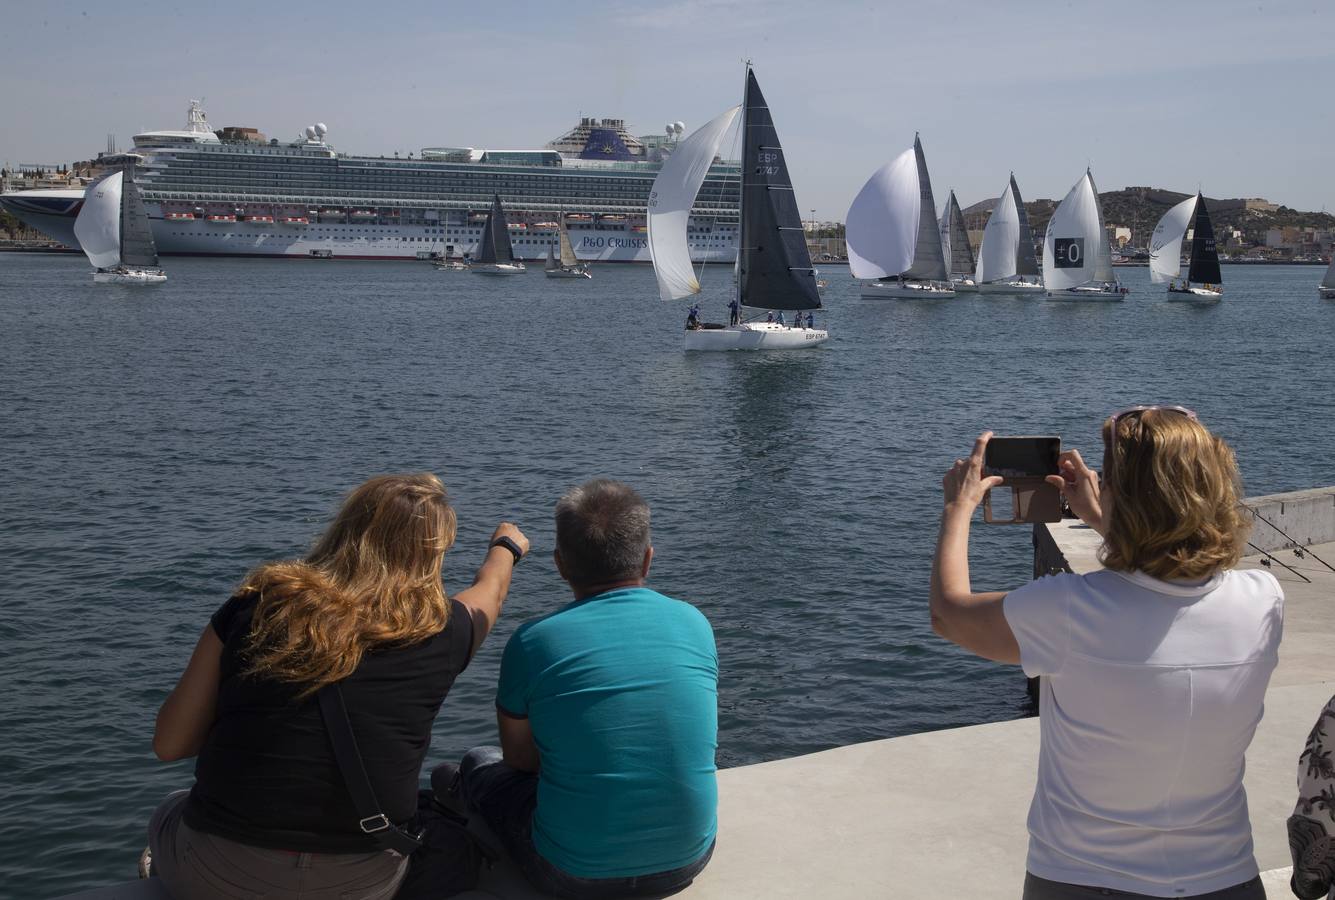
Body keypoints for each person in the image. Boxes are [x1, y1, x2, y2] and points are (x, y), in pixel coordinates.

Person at [929, 409, 1282, 900]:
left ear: (1126, 498)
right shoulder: (1263, 600)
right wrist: (1104, 517)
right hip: (1225, 879)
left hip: (1083, 879)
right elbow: (1164, 598)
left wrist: (958, 507)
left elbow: (950, 614)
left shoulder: (1068, 611)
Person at [148, 474, 529, 900]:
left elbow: (170, 744)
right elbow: (490, 593)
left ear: (345, 531)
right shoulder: (445, 632)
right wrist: (506, 547)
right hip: (359, 882)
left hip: (214, 874)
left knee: (174, 807)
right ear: (433, 554)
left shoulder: (256, 606)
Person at [444, 479, 717, 899]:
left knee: (480, 760)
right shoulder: (695, 623)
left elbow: (519, 760)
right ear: (647, 560)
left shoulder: (534, 640)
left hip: (572, 874)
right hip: (687, 861)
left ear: (560, 564)